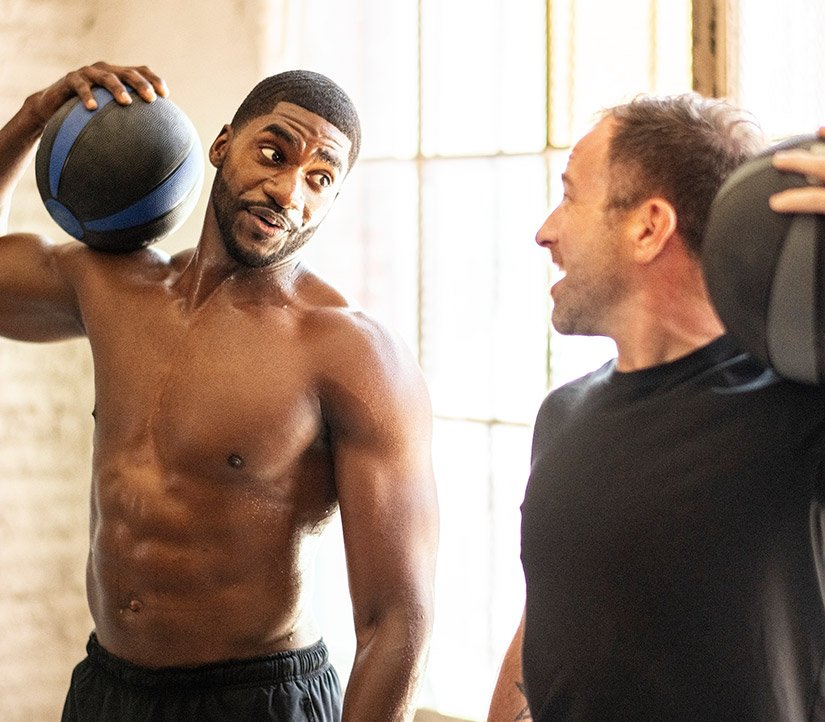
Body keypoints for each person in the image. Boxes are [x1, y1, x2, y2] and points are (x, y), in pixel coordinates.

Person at [0, 61, 438, 722]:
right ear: (221, 145)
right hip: (108, 689)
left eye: (319, 179)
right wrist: (36, 116)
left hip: (256, 699)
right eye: (273, 154)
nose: (288, 191)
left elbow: (397, 621)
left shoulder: (351, 352)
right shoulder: (116, 290)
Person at [487, 94, 825, 721]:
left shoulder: (797, 417)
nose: (545, 231)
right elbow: (548, 619)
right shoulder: (564, 415)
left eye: (570, 196)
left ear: (648, 227)